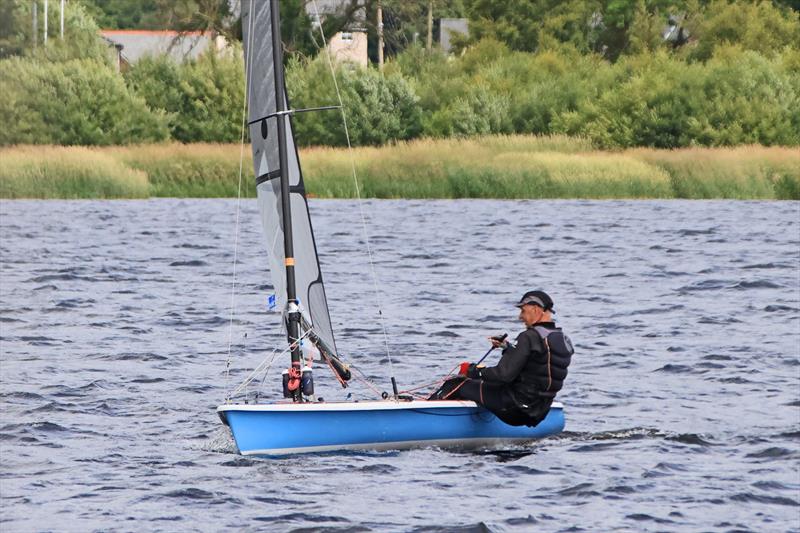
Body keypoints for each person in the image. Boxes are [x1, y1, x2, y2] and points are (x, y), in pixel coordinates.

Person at [429, 290, 574, 427]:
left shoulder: (529, 336)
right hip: (539, 410)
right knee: (479, 386)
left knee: (456, 384)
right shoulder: (561, 338)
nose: (520, 317)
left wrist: (475, 371)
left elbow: (503, 375)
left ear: (535, 309)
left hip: (514, 408)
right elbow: (538, 364)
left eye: (523, 311)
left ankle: (425, 418)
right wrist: (508, 348)